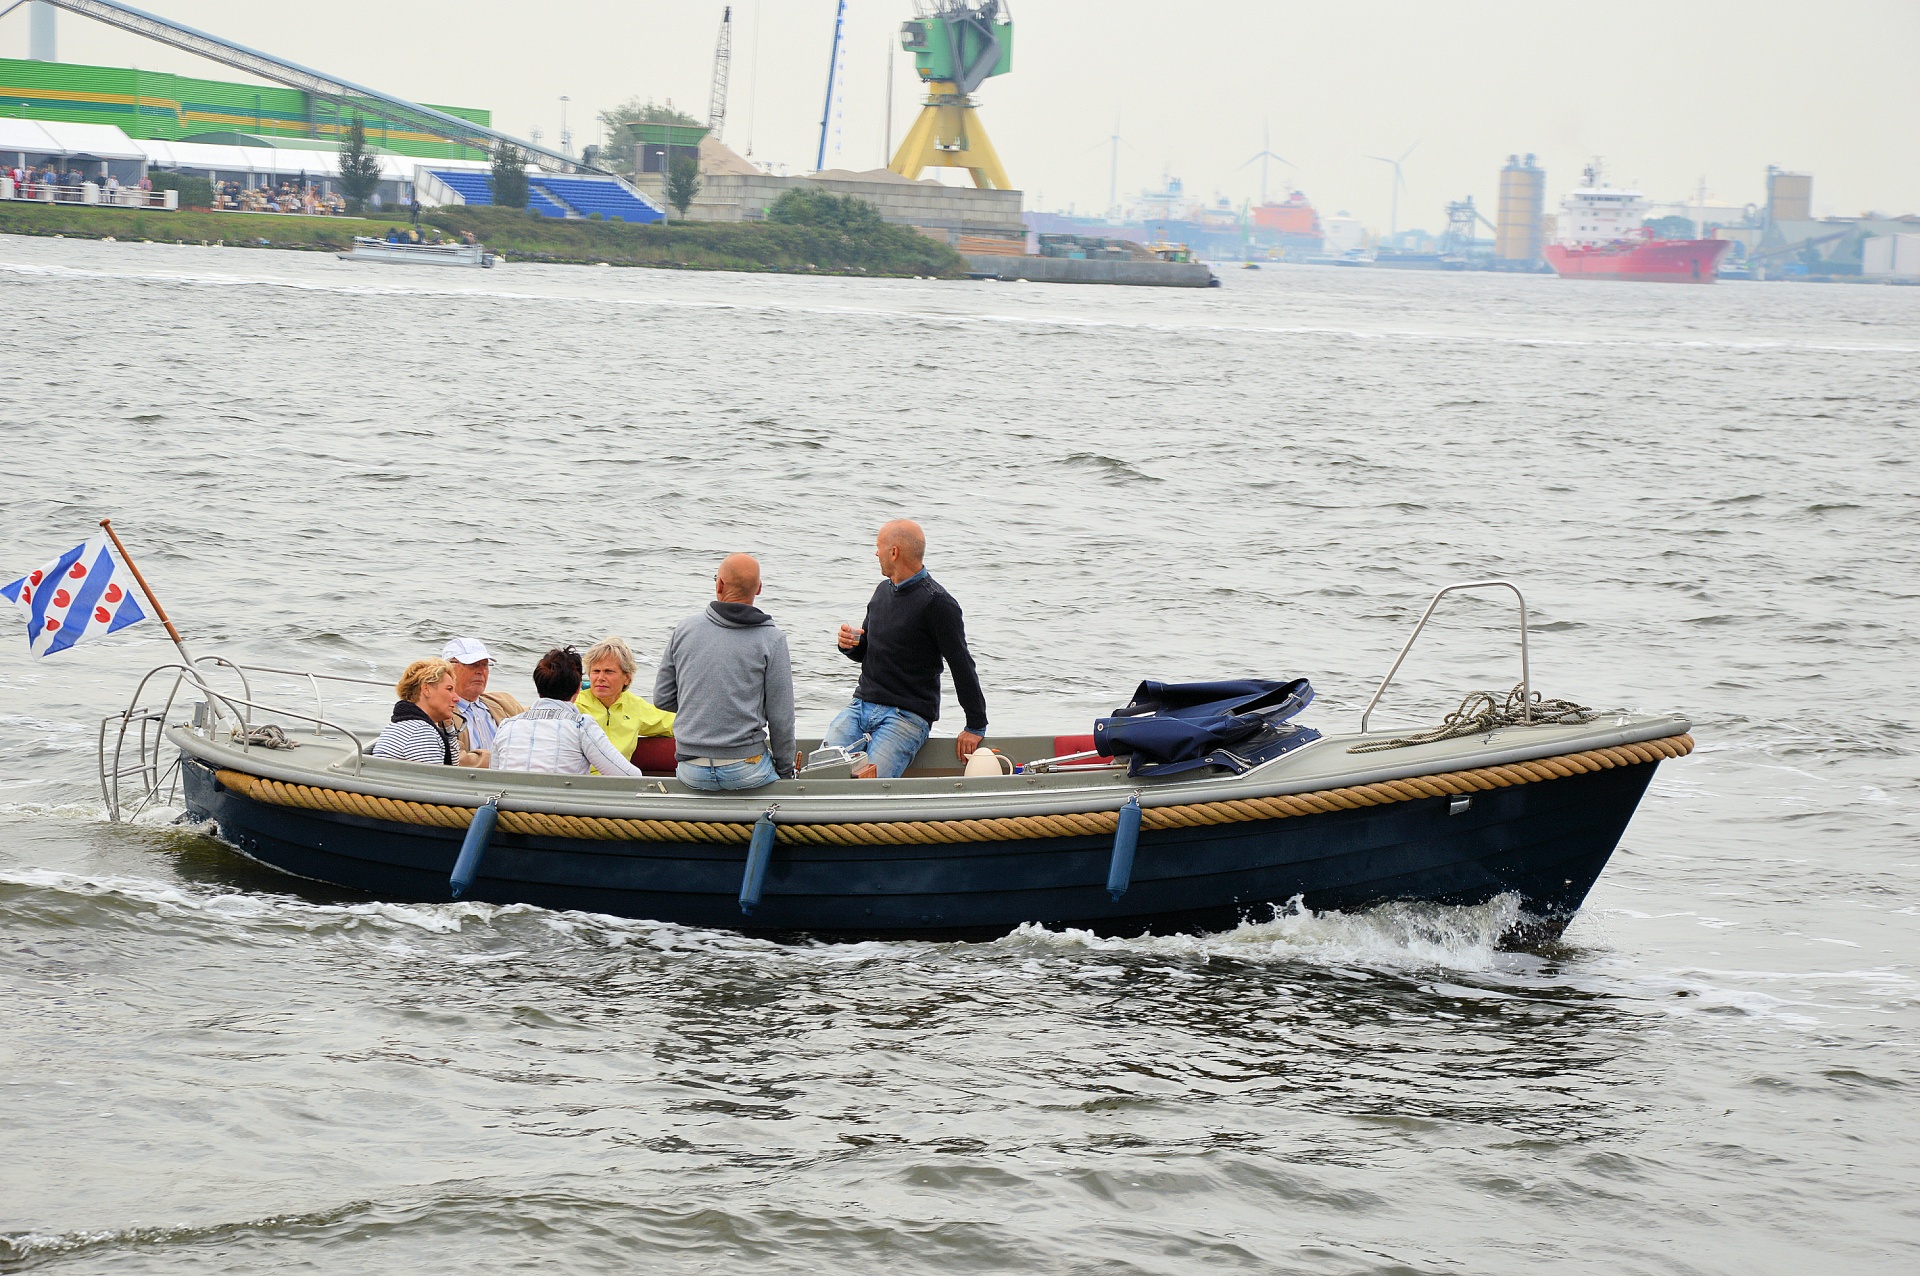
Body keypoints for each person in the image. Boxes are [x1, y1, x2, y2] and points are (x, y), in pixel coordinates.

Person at [823, 519, 987, 780]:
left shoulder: (938, 604)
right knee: (821, 773)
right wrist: (850, 645)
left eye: (878, 547)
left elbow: (962, 665)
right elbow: (868, 651)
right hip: (861, 706)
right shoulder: (880, 592)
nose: (876, 553)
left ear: (894, 552)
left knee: (867, 788)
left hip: (906, 717)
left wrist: (975, 725)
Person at [653, 553, 796, 792]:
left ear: (719, 584)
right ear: (759, 589)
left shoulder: (684, 629)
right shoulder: (772, 639)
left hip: (691, 769)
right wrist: (785, 772)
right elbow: (782, 720)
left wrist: (703, 705)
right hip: (746, 769)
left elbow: (662, 699)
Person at [490, 647, 645, 777]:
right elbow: (629, 777)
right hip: (562, 810)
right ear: (578, 688)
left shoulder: (506, 726)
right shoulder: (581, 726)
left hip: (509, 809)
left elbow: (494, 777)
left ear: (538, 687)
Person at [574, 636, 675, 763]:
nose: (600, 677)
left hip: (620, 778)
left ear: (627, 678)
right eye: (596, 671)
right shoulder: (574, 705)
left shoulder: (635, 706)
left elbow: (677, 723)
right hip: (580, 779)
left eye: (608, 672)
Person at [371, 658, 482, 766]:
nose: (456, 698)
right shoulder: (420, 732)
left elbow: (451, 765)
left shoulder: (404, 724)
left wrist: (448, 729)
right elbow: (437, 780)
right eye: (449, 689)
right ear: (426, 690)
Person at [442, 636, 524, 763]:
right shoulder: (440, 711)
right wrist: (504, 760)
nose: (481, 671)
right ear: (449, 668)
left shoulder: (504, 703)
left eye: (485, 665)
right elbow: (456, 759)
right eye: (473, 665)